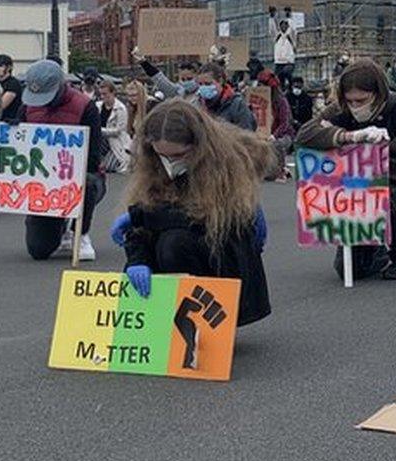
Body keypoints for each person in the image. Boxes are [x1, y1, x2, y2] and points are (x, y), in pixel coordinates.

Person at [110, 100, 275, 327]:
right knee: (161, 237)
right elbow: (145, 221)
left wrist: (141, 216)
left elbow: (206, 218)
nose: (170, 162)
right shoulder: (153, 163)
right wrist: (138, 260)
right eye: (163, 155)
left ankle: (208, 322)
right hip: (184, 237)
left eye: (179, 155)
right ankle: (166, 317)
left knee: (174, 243)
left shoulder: (229, 161)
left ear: (198, 145)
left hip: (224, 249)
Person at [296, 59, 396, 280]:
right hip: (356, 183)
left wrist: (371, 154)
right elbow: (304, 135)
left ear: (378, 93)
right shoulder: (343, 109)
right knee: (350, 269)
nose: (355, 106)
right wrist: (349, 136)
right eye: (350, 101)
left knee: (386, 198)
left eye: (362, 100)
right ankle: (374, 248)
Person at [20, 60, 105, 261]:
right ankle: (60, 228)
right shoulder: (27, 108)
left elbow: (93, 156)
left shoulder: (86, 106)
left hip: (78, 176)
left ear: (60, 86)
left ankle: (80, 232)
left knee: (89, 182)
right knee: (38, 249)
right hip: (42, 182)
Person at [256, 69, 295, 181]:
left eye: (262, 85)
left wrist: (274, 135)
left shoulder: (281, 101)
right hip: (264, 132)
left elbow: (285, 123)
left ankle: (281, 170)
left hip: (284, 134)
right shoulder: (259, 99)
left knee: (276, 144)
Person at [132, 48, 201, 108]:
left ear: (197, 77)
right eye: (183, 79)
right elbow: (160, 80)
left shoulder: (202, 95)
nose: (186, 82)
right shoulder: (177, 92)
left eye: (189, 79)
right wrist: (143, 62)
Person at [196, 63, 256, 131]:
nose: (203, 88)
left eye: (208, 84)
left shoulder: (237, 105)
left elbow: (247, 134)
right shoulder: (198, 105)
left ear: (220, 81)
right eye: (200, 84)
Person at [99, 81, 132, 174]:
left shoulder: (121, 109)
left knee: (109, 167)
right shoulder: (97, 106)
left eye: (105, 94)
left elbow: (118, 131)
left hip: (115, 140)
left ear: (113, 93)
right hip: (101, 140)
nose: (102, 97)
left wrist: (100, 130)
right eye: (101, 94)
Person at [268, 6, 297, 90]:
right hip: (278, 62)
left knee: (286, 73)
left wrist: (289, 16)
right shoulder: (277, 36)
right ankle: (282, 90)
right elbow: (272, 29)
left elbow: (293, 29)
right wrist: (272, 17)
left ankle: (291, 86)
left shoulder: (291, 36)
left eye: (285, 25)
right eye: (282, 25)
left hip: (289, 61)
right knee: (277, 79)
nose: (284, 27)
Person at [0, 54, 23, 123]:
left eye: (0, 66)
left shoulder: (13, 84)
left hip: (8, 122)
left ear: (9, 68)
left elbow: (0, 106)